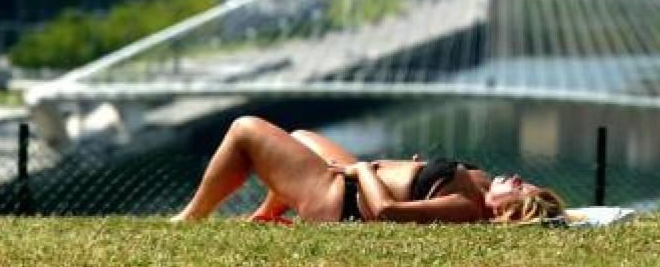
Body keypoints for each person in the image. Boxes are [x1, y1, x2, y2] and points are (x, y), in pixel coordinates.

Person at [171, 116, 564, 224]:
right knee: (300, 135)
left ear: (506, 211)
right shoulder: (476, 188)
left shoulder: (467, 206)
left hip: (339, 198)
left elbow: (387, 213)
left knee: (244, 131)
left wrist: (363, 171)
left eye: (520, 188)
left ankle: (188, 218)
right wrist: (418, 173)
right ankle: (268, 214)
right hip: (348, 180)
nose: (515, 178)